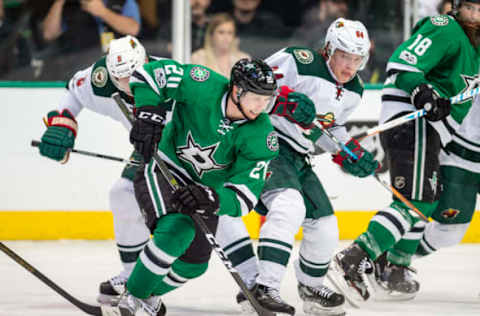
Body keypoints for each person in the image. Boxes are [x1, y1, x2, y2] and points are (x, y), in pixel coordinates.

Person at [111, 57, 319, 316]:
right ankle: (133, 298)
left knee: (195, 263)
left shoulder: (262, 135)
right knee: (178, 230)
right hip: (164, 170)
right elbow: (148, 74)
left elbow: (245, 197)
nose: (262, 106)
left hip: (203, 192)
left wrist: (212, 197)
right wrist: (147, 113)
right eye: (256, 97)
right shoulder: (203, 82)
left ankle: (148, 295)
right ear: (237, 90)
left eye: (267, 99)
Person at [216, 18, 378, 316]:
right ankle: (264, 288)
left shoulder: (355, 89)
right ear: (328, 49)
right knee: (288, 206)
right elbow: (250, 87)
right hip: (266, 141)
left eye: (358, 59)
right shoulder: (298, 60)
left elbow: (328, 129)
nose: (350, 67)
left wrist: (347, 151)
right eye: (344, 56)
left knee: (326, 225)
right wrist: (282, 102)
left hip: (299, 156)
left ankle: (311, 287)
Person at [328, 0, 480, 304]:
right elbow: (404, 62)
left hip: (431, 129)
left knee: (424, 200)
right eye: (471, 8)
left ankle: (389, 265)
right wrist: (423, 92)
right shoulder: (445, 28)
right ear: (455, 8)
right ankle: (354, 258)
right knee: (418, 199)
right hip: (415, 119)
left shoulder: (472, 48)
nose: (476, 16)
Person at [35, 35, 160, 305]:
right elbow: (73, 90)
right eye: (121, 78)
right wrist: (64, 122)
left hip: (186, 147)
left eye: (132, 75)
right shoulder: (100, 78)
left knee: (215, 212)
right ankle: (132, 276)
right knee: (123, 194)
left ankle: (255, 279)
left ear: (146, 62)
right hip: (147, 149)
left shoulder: (167, 77)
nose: (128, 85)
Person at [42, 0, 140, 53]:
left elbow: (133, 29)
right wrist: (59, 2)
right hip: (78, 66)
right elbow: (48, 34)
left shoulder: (123, 2)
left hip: (117, 64)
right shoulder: (70, 6)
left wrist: (103, 12)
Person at [191, 12, 250, 78]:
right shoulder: (198, 58)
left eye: (230, 33)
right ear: (211, 35)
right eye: (221, 32)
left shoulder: (243, 59)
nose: (226, 37)